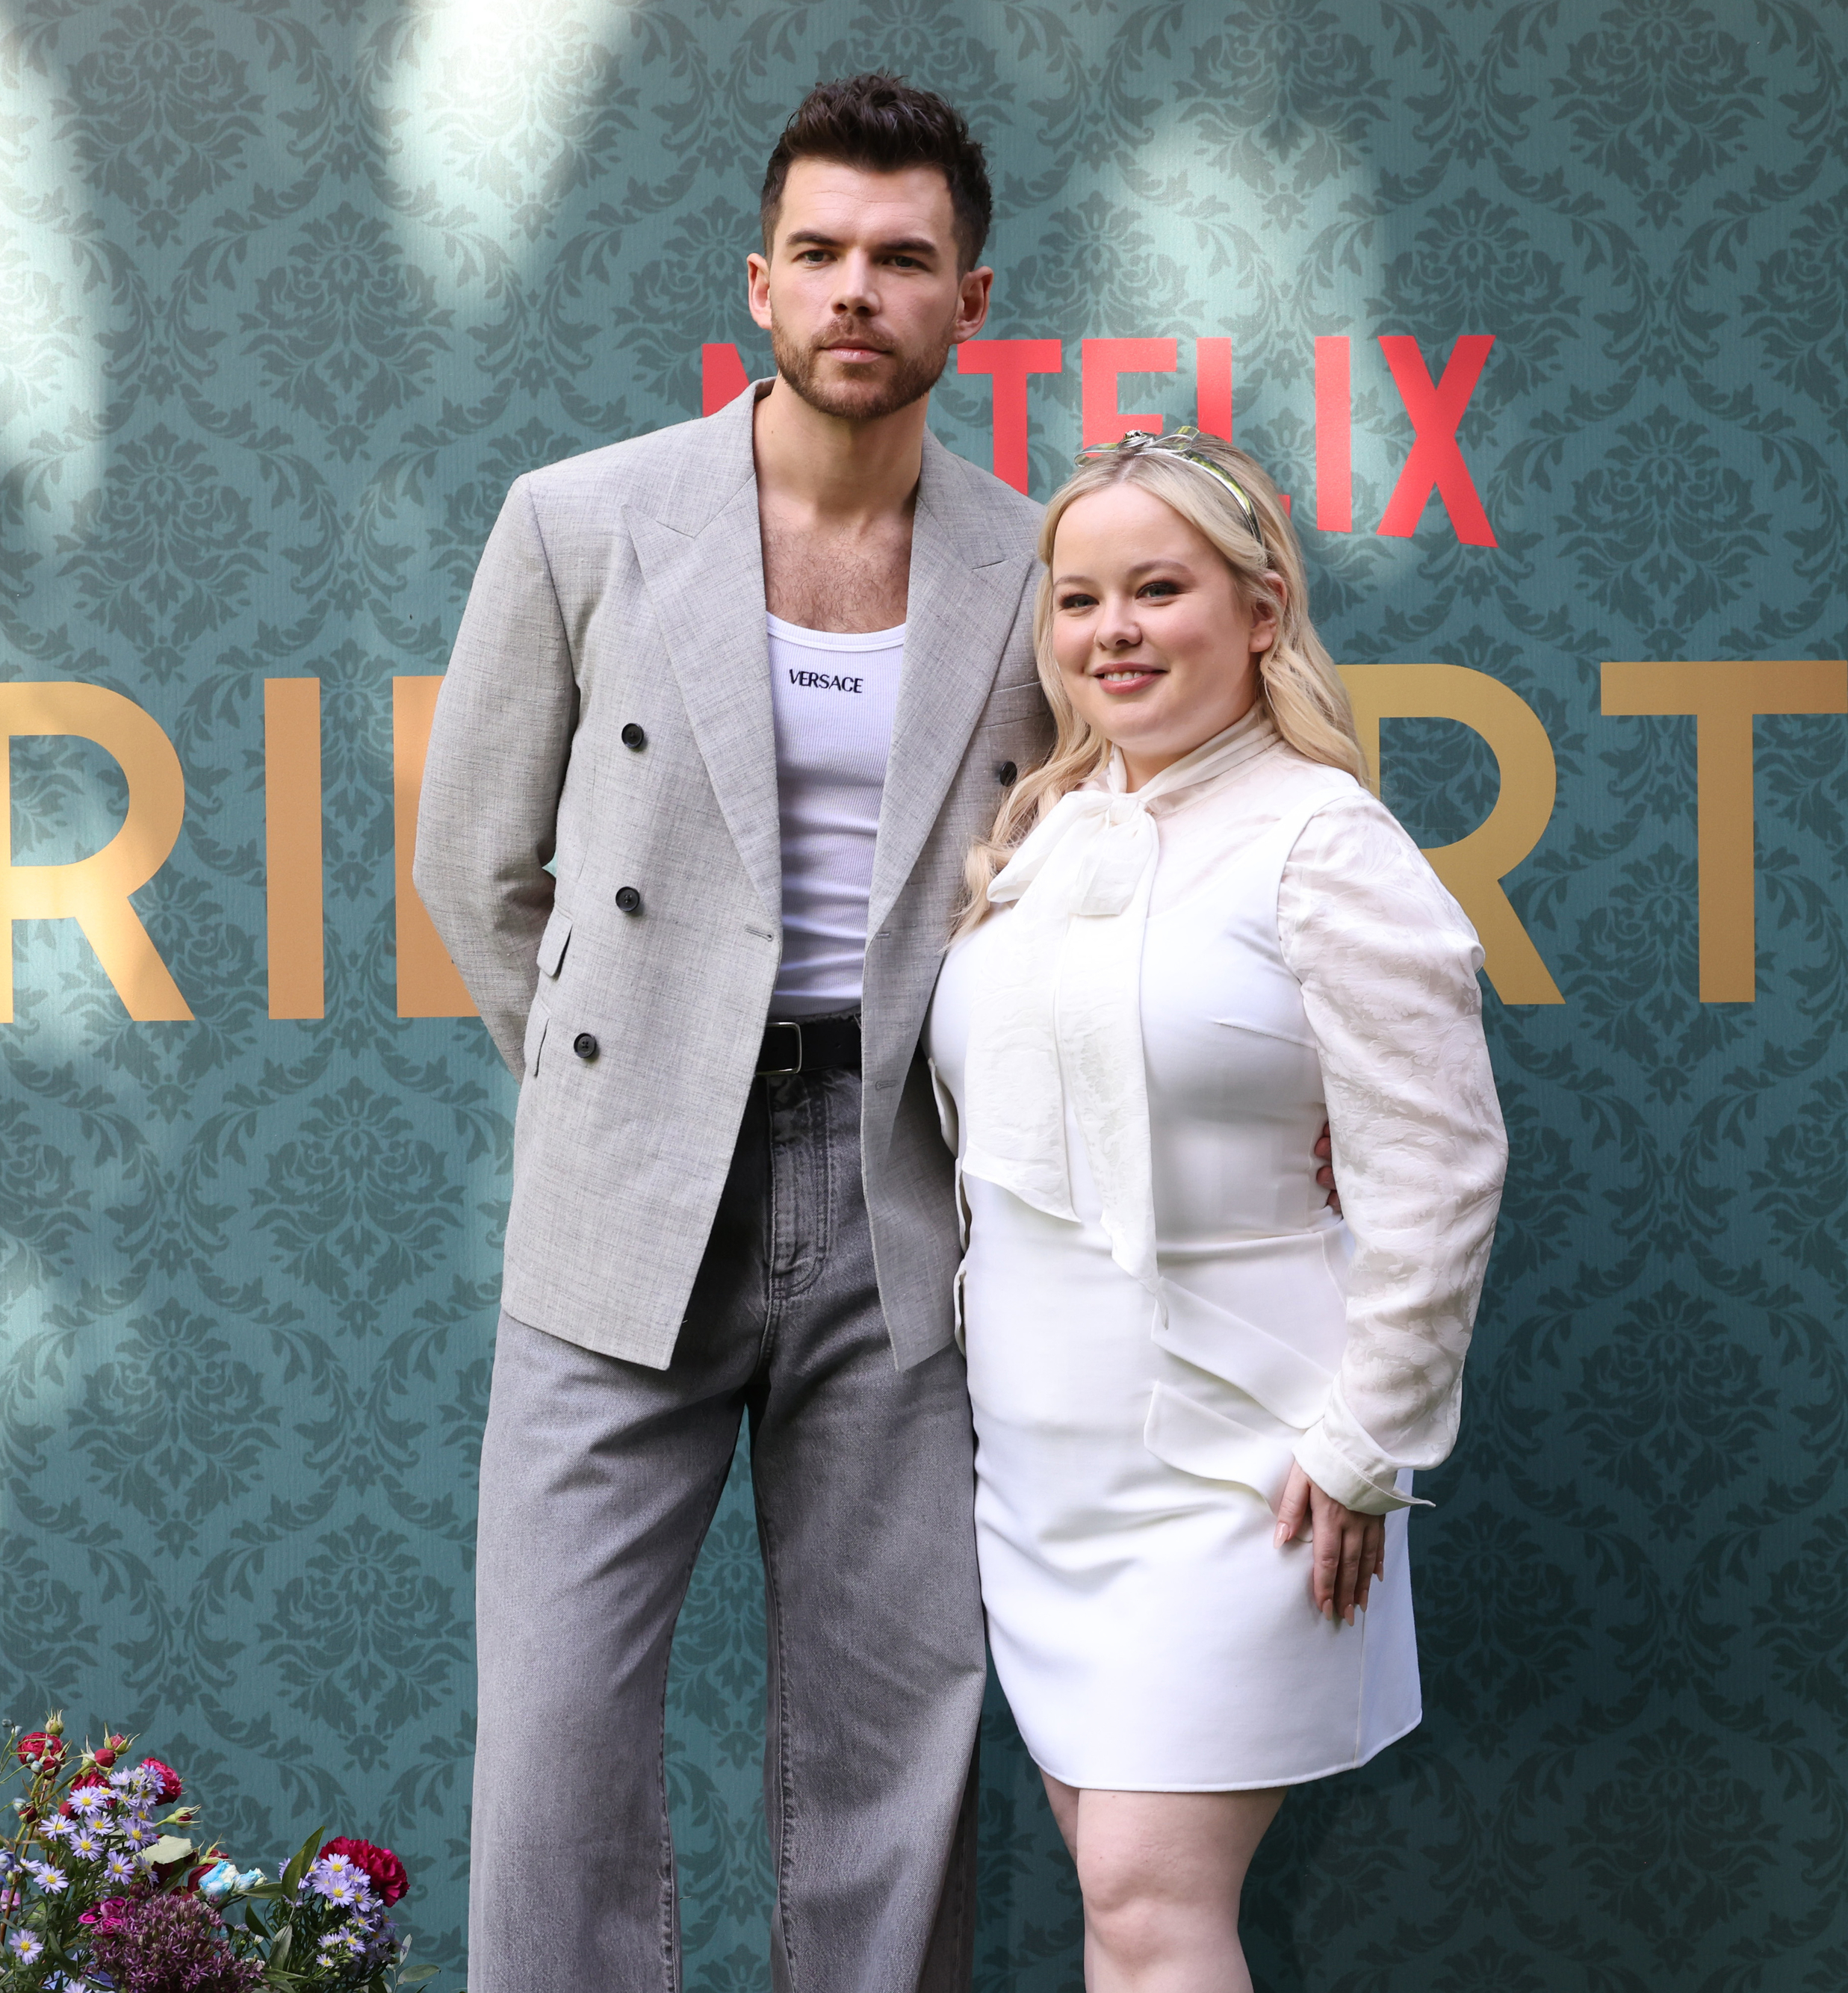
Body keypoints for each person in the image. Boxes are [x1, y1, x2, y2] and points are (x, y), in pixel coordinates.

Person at [413, 75, 1049, 1993]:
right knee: (555, 1738)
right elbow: (473, 867)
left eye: (904, 259)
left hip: (908, 1186)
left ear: (970, 298)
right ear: (757, 281)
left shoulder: (1033, 562)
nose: (860, 289)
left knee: (895, 1735)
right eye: (825, 253)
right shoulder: (580, 520)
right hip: (628, 1181)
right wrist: (630, 1077)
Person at [926, 430, 1507, 1992]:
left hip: (1247, 1460)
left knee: (1140, 1894)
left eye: (1157, 587)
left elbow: (1438, 1165)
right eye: (1077, 597)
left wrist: (1362, 1434)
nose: (1111, 628)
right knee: (1125, 1905)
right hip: (1041, 1467)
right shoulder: (1035, 836)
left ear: (1257, 611)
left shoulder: (1324, 839)